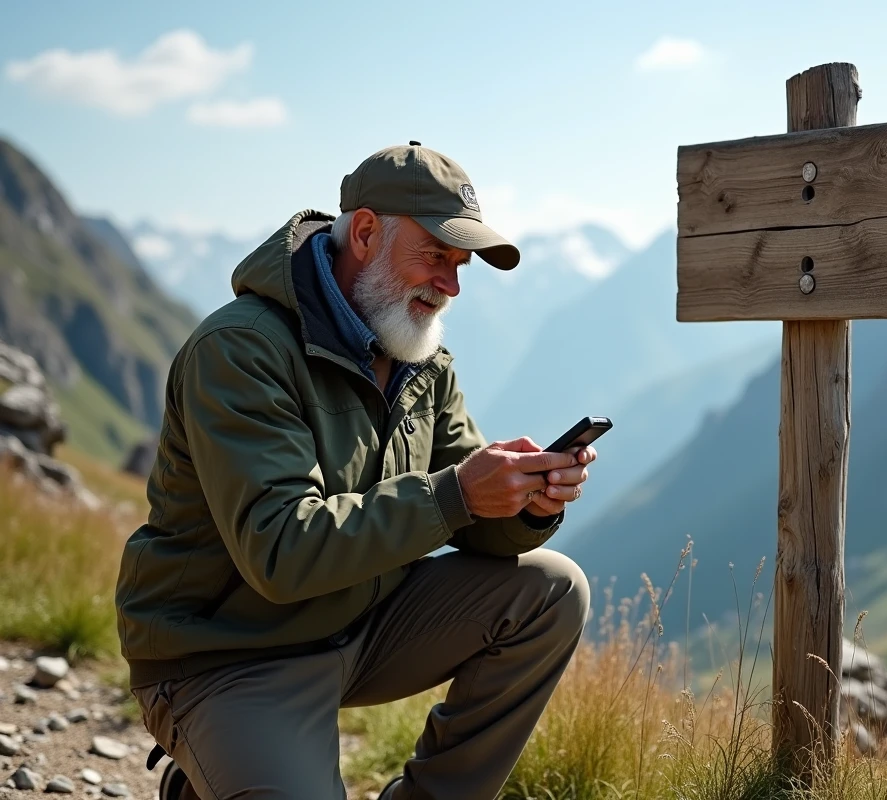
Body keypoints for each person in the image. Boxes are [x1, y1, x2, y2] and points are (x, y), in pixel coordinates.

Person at [114, 142, 595, 800]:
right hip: (228, 656)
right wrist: (457, 493)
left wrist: (527, 501)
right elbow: (282, 550)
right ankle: (204, 771)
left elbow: (470, 513)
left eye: (461, 266)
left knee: (551, 591)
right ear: (365, 233)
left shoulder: (420, 355)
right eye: (435, 256)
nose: (450, 286)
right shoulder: (240, 350)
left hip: (357, 625)